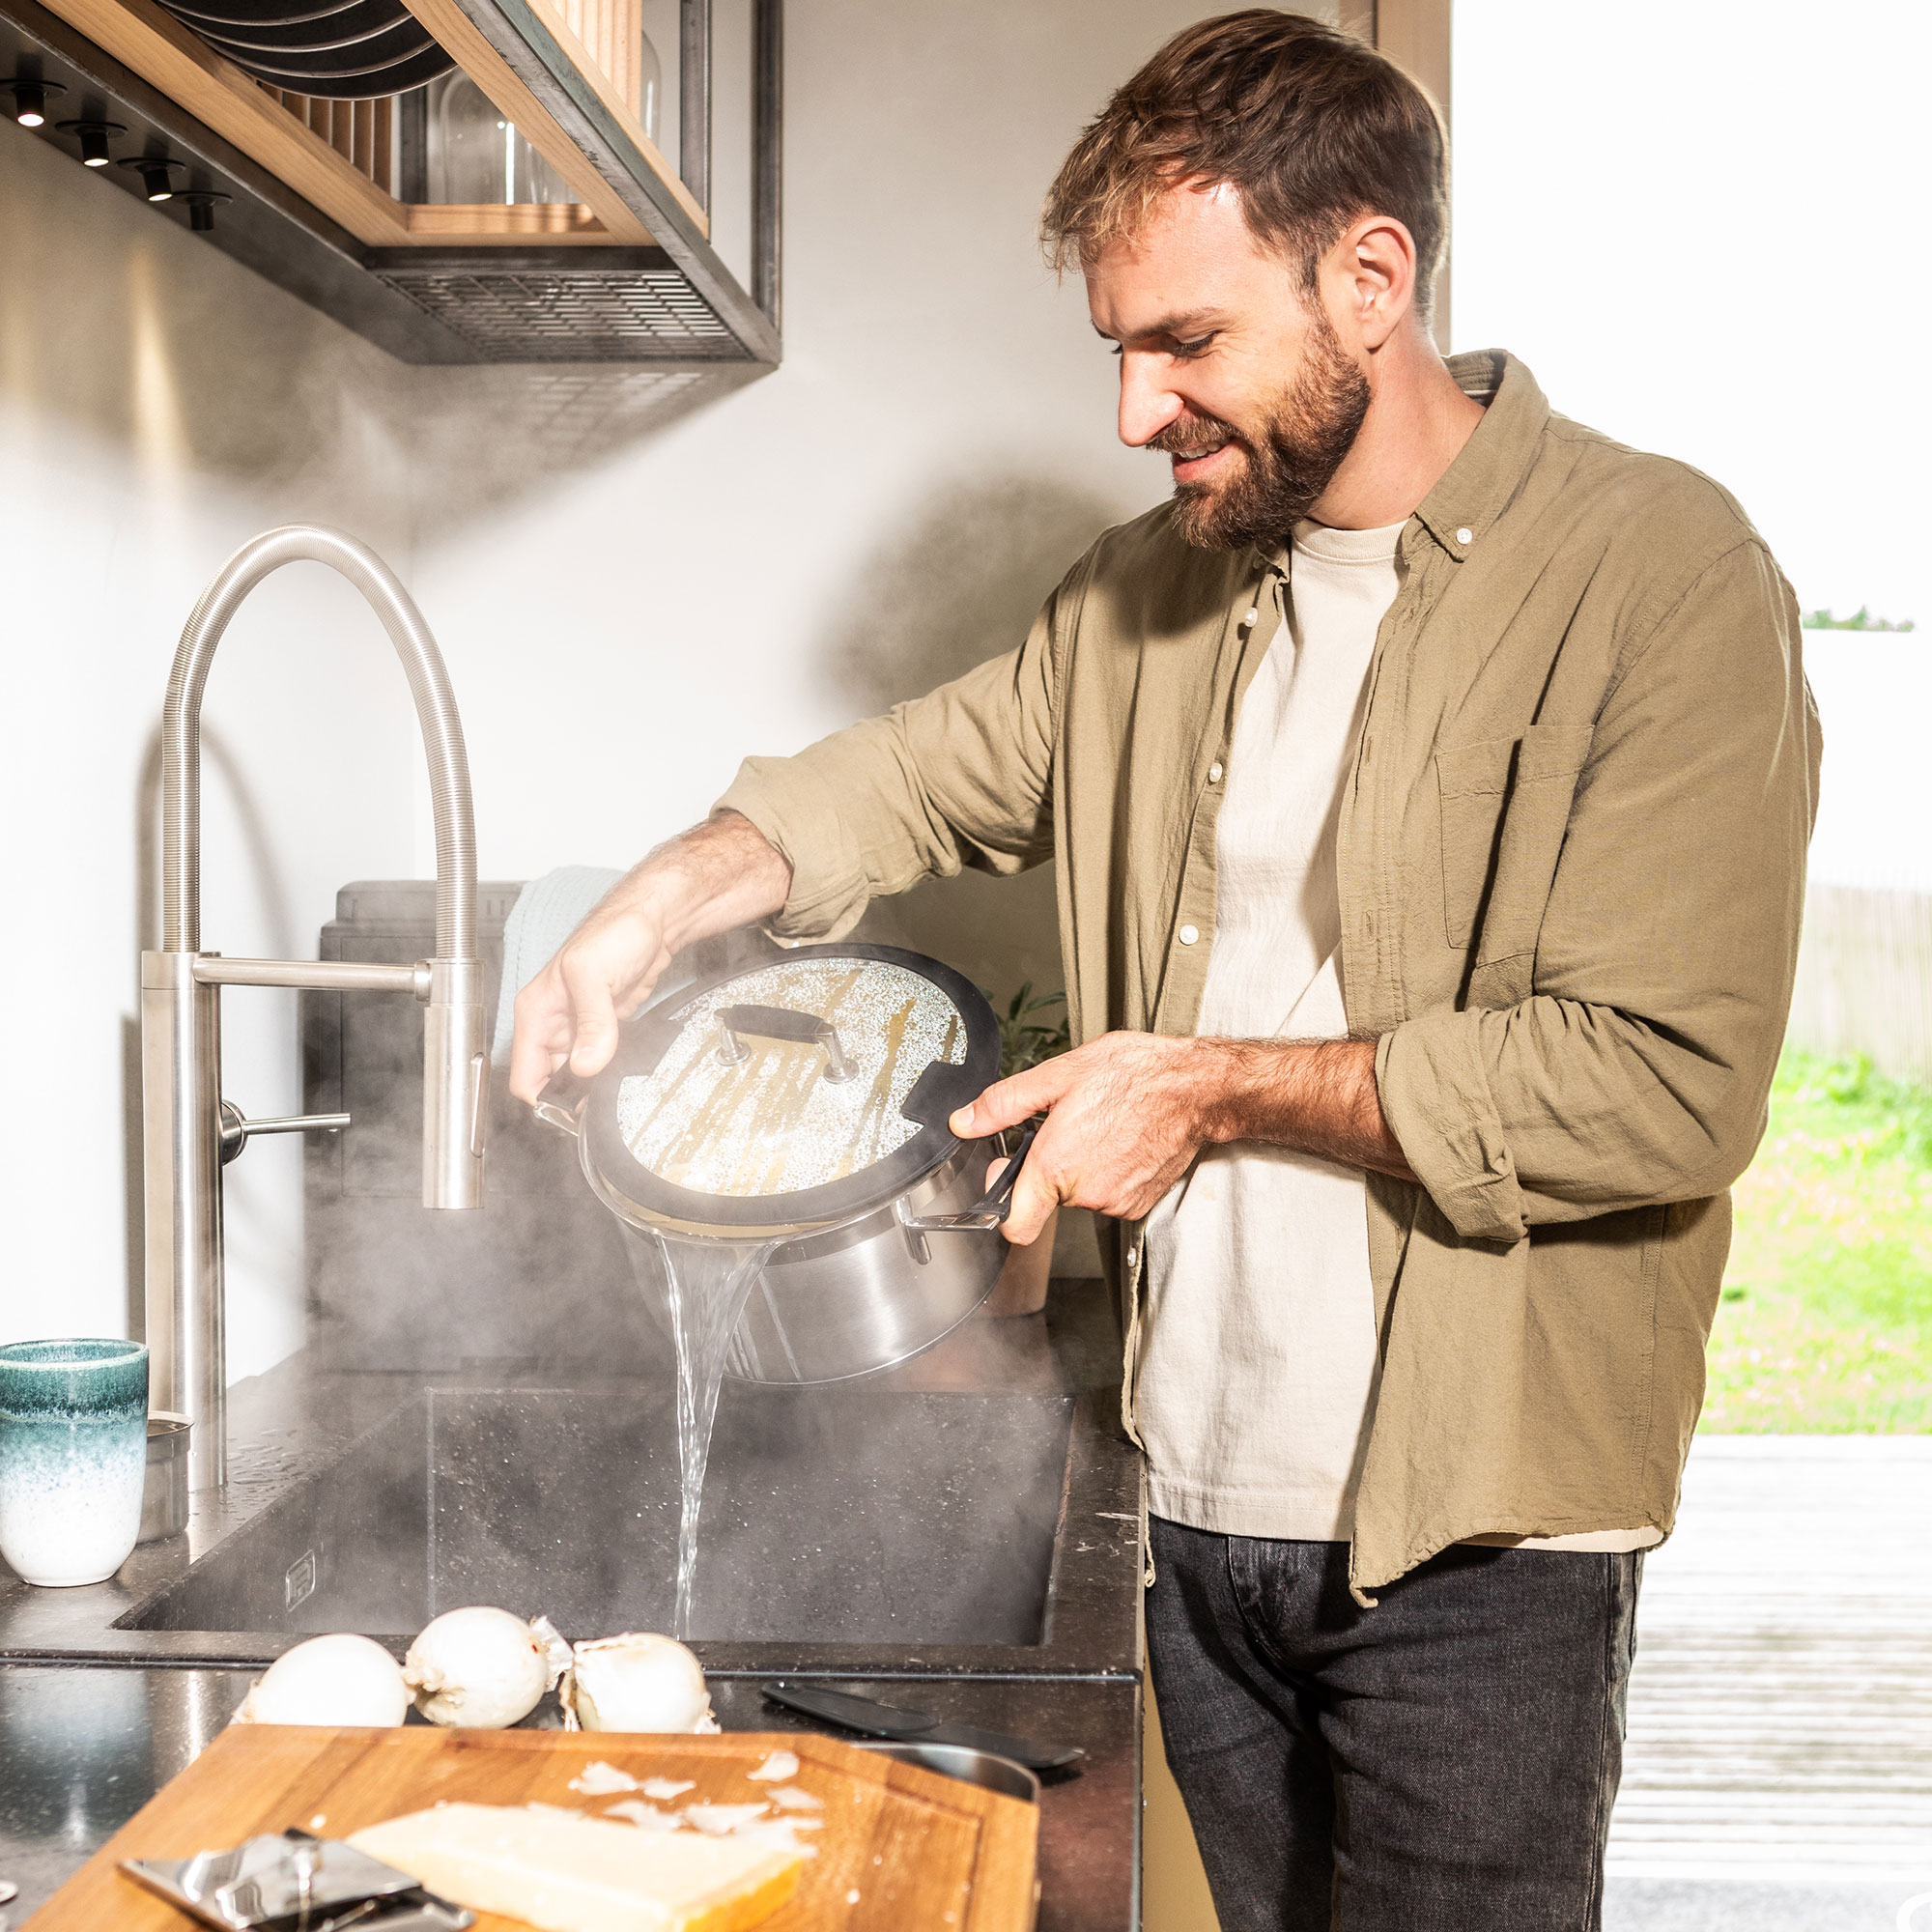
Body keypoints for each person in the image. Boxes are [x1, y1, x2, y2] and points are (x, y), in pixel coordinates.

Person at [510, 11, 1819, 1927]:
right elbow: (911, 775)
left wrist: (1197, 1084)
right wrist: (658, 894)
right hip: (1184, 1501)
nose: (1132, 411)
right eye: (1118, 347)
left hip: (1479, 1544)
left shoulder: (1659, 578)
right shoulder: (1145, 595)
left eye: (1182, 341)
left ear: (1370, 278)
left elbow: (1656, 1087)